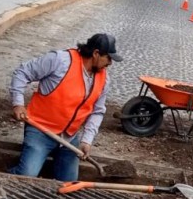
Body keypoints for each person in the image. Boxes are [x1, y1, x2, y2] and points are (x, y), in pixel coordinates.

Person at [8, 33, 122, 181]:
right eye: (108, 58)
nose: (110, 63)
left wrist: (86, 140)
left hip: (69, 138)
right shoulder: (60, 60)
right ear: (96, 54)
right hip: (40, 130)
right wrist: (18, 104)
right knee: (27, 175)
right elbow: (22, 72)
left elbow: (97, 112)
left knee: (68, 183)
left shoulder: (104, 79)